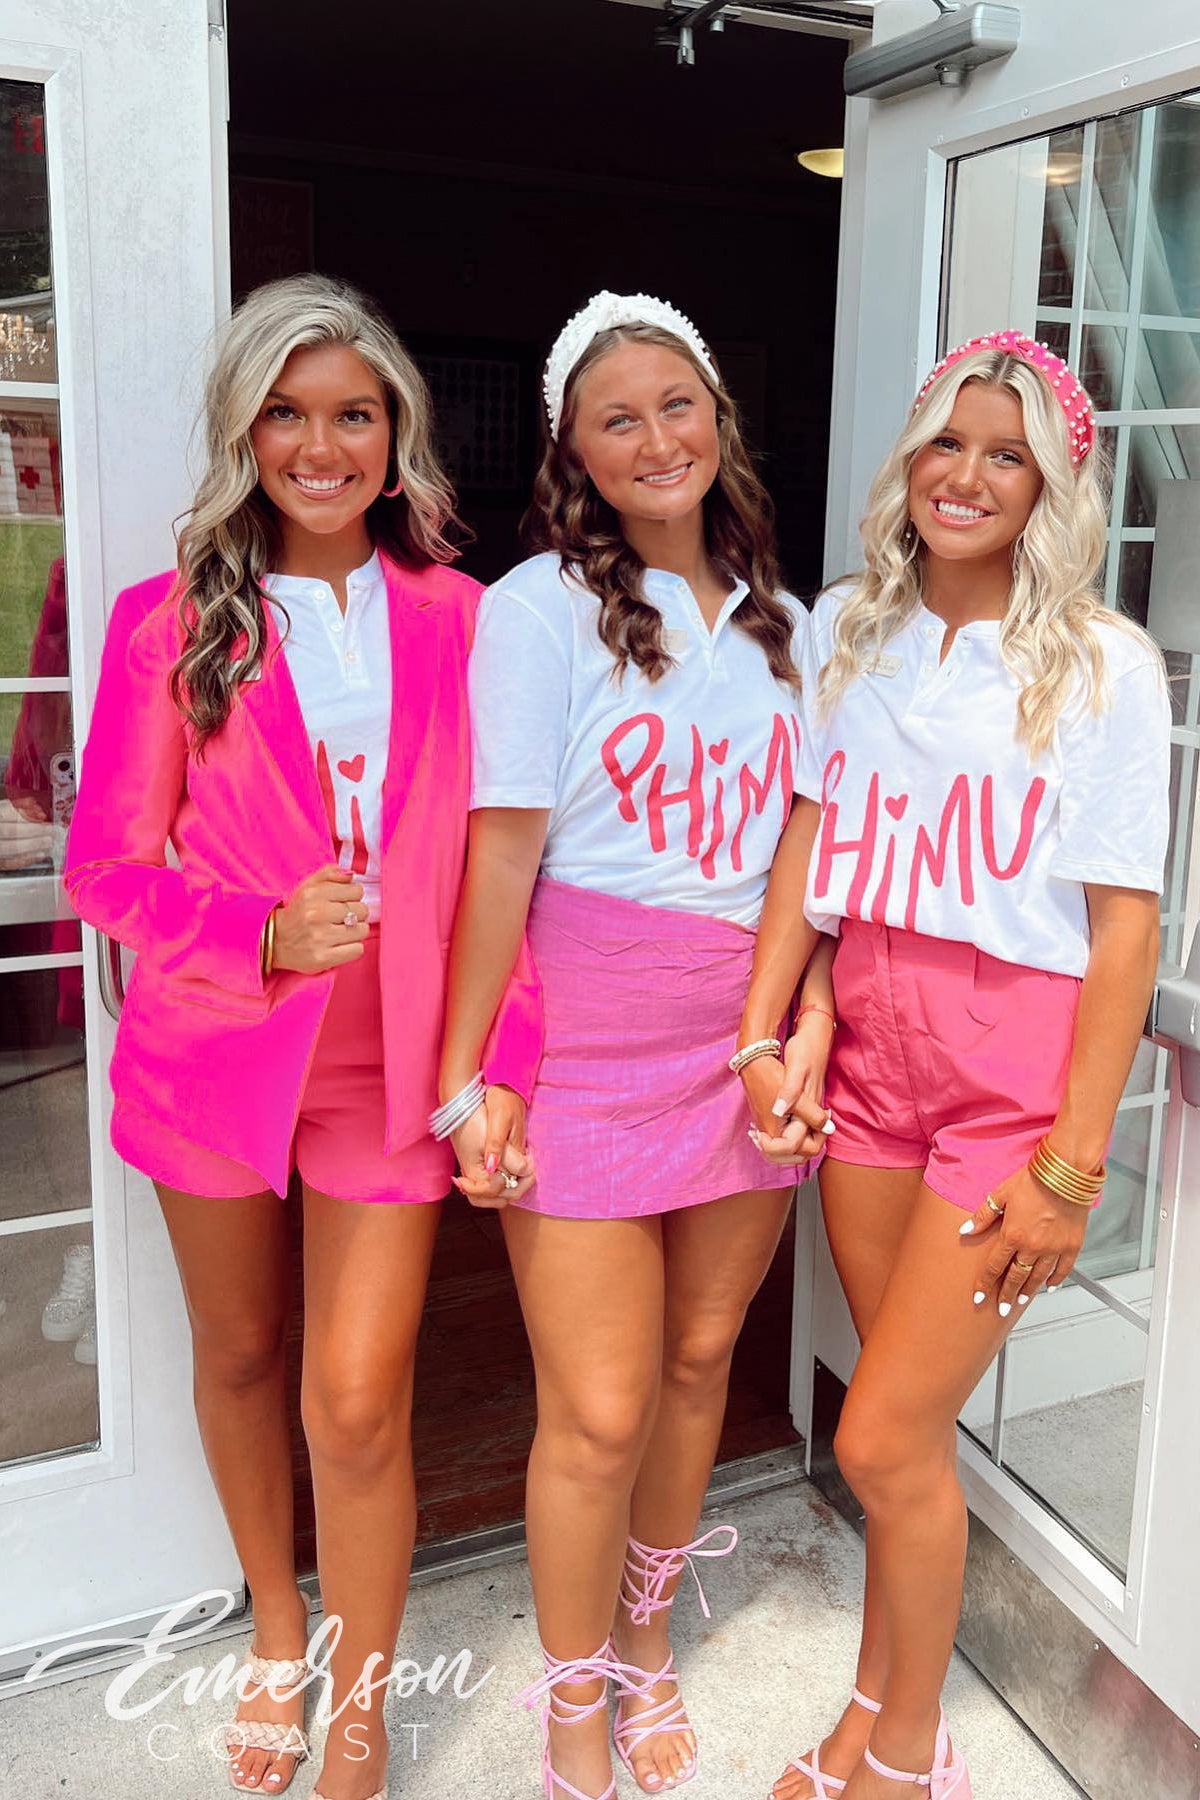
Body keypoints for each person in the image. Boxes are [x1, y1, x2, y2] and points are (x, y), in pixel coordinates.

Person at [64, 274, 539, 1800]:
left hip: (393, 1071)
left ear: (397, 435)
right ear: (244, 432)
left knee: (355, 1395)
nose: (320, 447)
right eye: (286, 413)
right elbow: (105, 867)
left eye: (353, 415)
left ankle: (360, 1705)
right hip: (214, 1056)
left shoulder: (467, 620)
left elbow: (511, 872)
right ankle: (280, 1627)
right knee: (243, 1350)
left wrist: (499, 1067)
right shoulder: (169, 623)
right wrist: (258, 933)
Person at [740, 330, 1170, 1800]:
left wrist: (1072, 1165)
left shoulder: (1104, 666)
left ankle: (911, 1758)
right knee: (900, 1440)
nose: (968, 476)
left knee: (875, 1435)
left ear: (1050, 489)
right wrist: (766, 1027)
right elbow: (813, 836)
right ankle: (877, 1708)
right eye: (947, 442)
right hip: (870, 1037)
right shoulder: (848, 628)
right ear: (910, 458)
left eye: (1008, 455)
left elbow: (1125, 930)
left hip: (1010, 1064)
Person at [438, 290, 835, 1800]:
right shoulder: (535, 610)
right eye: (618, 418)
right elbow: (499, 856)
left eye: (679, 404)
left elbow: (808, 843)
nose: (656, 437)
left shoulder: (791, 626)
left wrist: (787, 1021)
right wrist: (469, 1075)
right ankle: (573, 1701)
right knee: (597, 1410)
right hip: (584, 1044)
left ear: (719, 416)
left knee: (697, 1359)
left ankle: (648, 1638)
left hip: (735, 1037)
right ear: (576, 452)